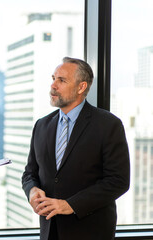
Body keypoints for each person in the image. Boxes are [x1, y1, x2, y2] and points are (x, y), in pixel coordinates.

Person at [22, 57, 130, 240]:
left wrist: (70, 205)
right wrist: (32, 190)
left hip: (91, 232)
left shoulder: (108, 125)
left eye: (61, 80)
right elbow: (29, 173)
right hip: (49, 232)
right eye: (53, 78)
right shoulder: (41, 125)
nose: (53, 85)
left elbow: (118, 181)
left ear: (81, 87)